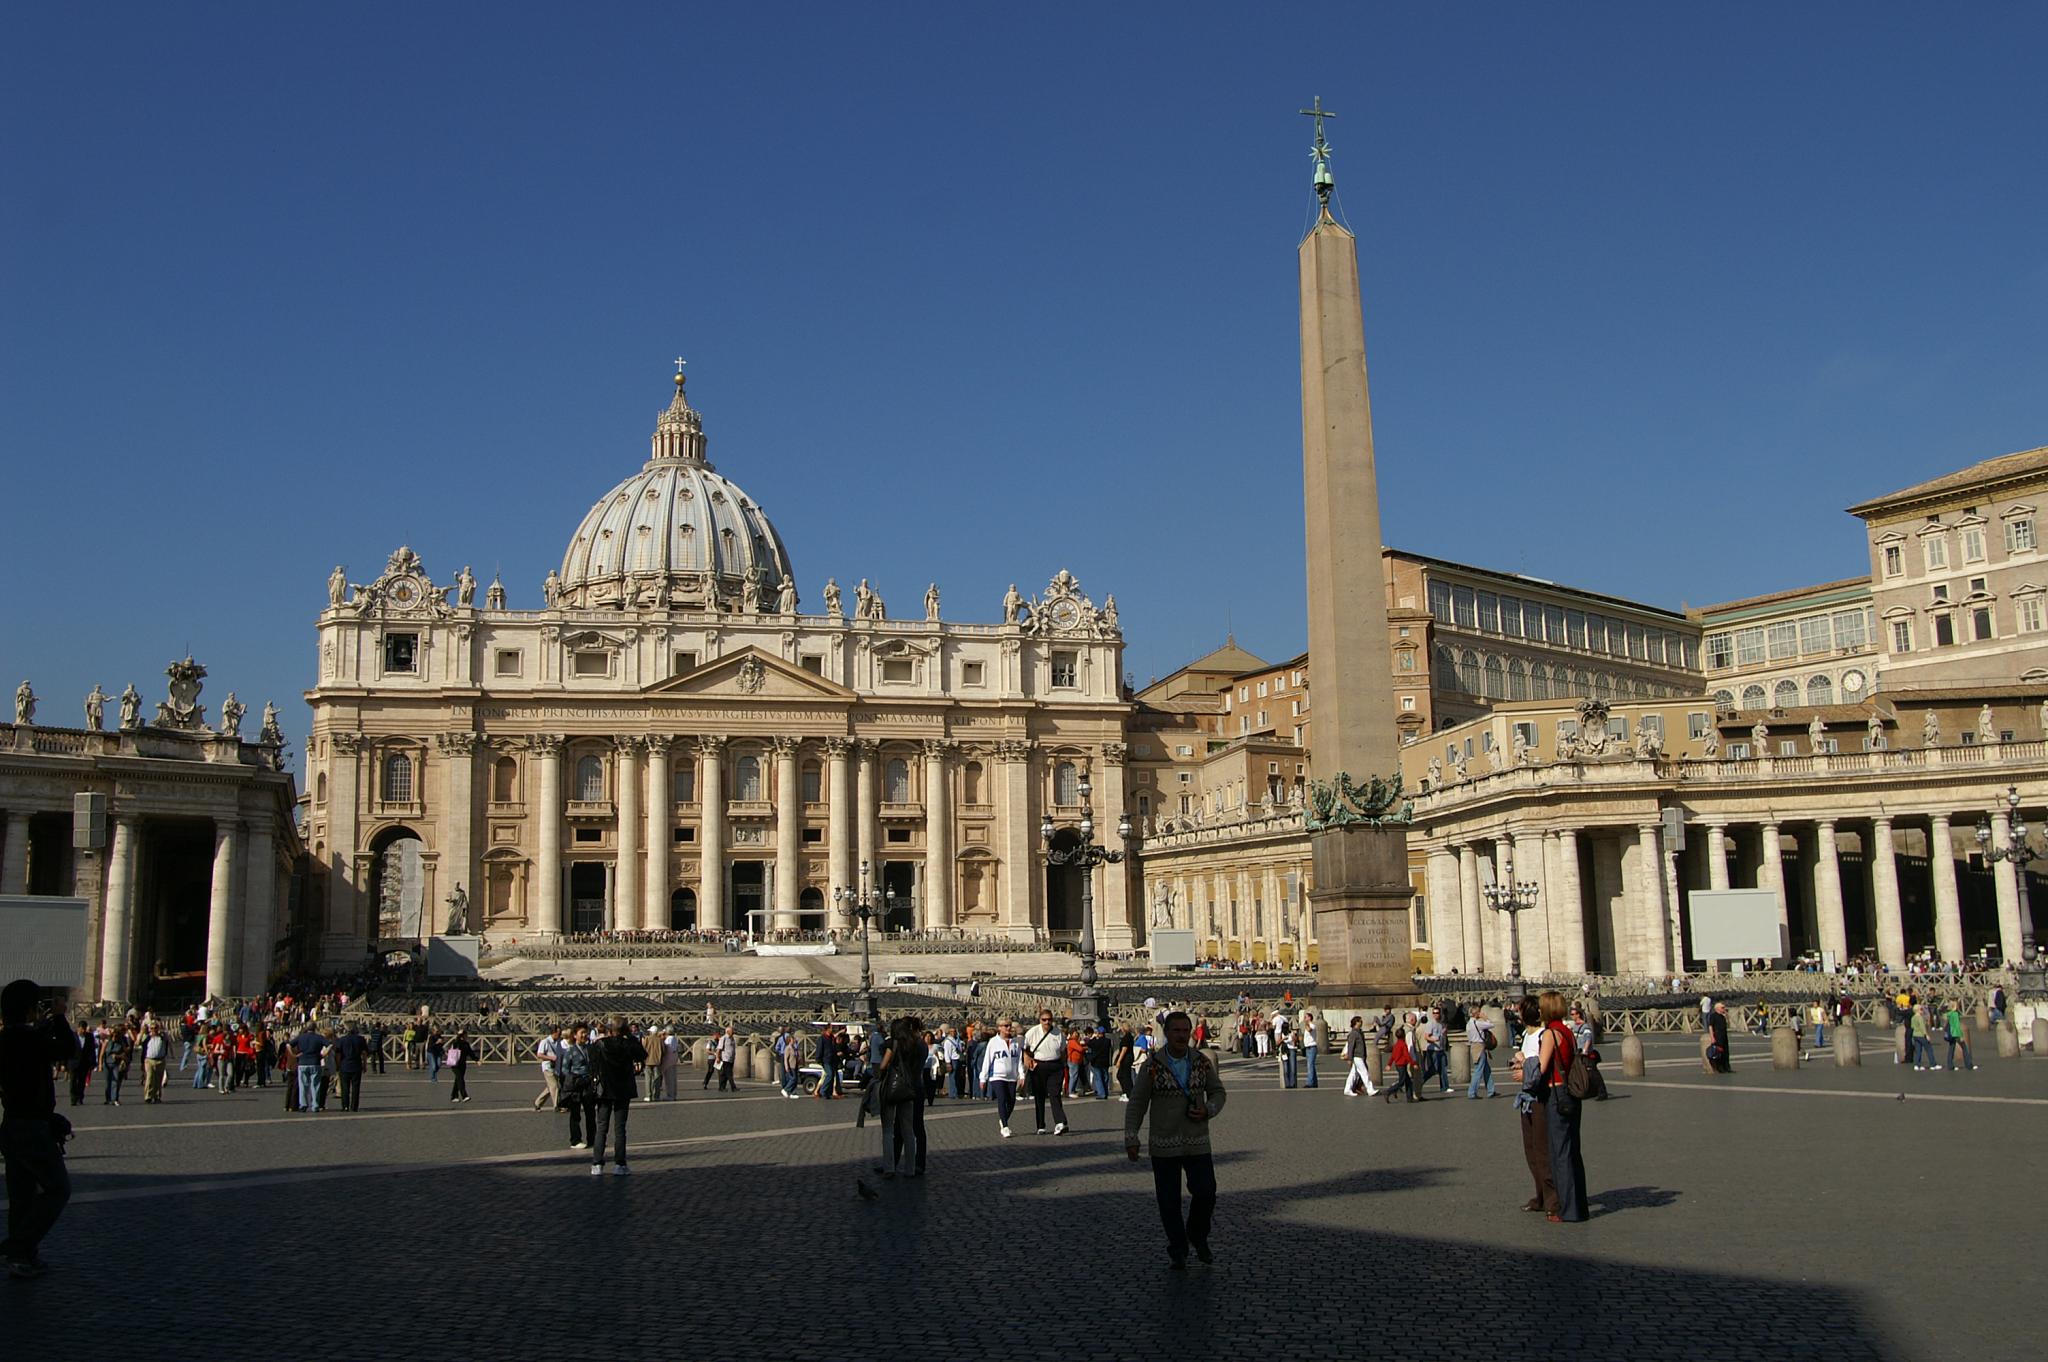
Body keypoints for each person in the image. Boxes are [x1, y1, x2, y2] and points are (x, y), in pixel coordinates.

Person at [1124, 1011, 1227, 1270]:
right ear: (1166, 1034)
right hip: (1163, 1142)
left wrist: (1208, 1110)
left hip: (1197, 1140)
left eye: (1185, 1030)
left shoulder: (1201, 1061)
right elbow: (1137, 1103)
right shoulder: (1152, 1065)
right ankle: (1178, 1248)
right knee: (1168, 1201)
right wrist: (1131, 1135)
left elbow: (1217, 1092)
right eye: (1176, 1031)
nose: (1181, 1035)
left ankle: (1197, 1233)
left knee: (1206, 1192)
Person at [1, 979, 80, 1280]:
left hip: (11, 1125)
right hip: (33, 1127)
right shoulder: (30, 1039)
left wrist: (44, 1024)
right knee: (58, 1188)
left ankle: (23, 1259)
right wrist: (60, 1017)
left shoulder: (7, 1038)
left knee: (21, 1195)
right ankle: (17, 1247)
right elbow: (70, 1049)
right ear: (31, 1009)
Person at [1536, 990, 1588, 1223]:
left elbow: (1542, 1066)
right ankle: (1579, 1206)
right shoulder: (1568, 1031)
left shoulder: (1550, 1034)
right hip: (1571, 1096)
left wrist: (1523, 1065)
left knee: (1559, 1154)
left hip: (1556, 1095)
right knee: (1573, 1152)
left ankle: (1566, 1209)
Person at [1513, 996, 1558, 1217]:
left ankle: (1553, 1201)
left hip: (1540, 1098)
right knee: (1530, 1151)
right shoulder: (1526, 1035)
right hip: (1526, 1099)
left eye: (1519, 1009)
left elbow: (1541, 1068)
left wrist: (1524, 1070)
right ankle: (1540, 1195)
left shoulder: (1543, 1035)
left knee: (1542, 1151)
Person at [586, 1016, 647, 1175]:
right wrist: (631, 1037)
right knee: (620, 1128)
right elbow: (642, 1054)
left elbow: (591, 1062)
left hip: (604, 1089)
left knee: (601, 1127)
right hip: (622, 1089)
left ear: (609, 1029)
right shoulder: (628, 1043)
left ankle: (597, 1164)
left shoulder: (600, 1044)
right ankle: (620, 1164)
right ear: (625, 1029)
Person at [874, 1015, 929, 1178]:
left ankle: (891, 1165)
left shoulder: (898, 1044)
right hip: (914, 1087)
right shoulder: (919, 1045)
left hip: (896, 1087)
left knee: (895, 1128)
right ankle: (913, 1167)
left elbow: (883, 1066)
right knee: (910, 1128)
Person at [1022, 1009, 1068, 1135]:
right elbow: (1024, 1047)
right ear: (1040, 1020)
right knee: (1040, 1096)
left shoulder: (1058, 1033)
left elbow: (1063, 1051)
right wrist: (1027, 1058)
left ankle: (1060, 1122)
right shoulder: (1032, 1032)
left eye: (1049, 1019)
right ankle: (1040, 1125)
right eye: (1044, 1020)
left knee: (1054, 1094)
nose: (1047, 1022)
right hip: (1039, 1065)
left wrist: (1063, 1065)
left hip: (1055, 1066)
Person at [978, 1016, 1024, 1138]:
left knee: (1012, 1101)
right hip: (997, 1076)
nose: (1008, 1028)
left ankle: (1003, 1118)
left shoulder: (1015, 1042)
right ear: (999, 1028)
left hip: (1012, 1076)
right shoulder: (993, 1042)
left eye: (1009, 1025)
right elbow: (987, 1060)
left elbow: (1019, 1059)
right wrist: (983, 1077)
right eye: (1005, 1026)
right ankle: (1005, 1126)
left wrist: (1021, 1074)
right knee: (1002, 1099)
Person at [559, 1024, 597, 1149]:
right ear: (575, 1035)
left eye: (586, 1032)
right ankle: (575, 1140)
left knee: (590, 1113)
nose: (584, 1035)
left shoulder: (590, 1049)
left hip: (588, 1084)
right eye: (582, 1033)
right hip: (576, 1085)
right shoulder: (570, 1051)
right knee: (575, 1114)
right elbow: (564, 1070)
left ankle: (593, 1139)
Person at [291, 1020, 326, 1114]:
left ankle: (303, 1104)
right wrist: (324, 1055)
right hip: (315, 1062)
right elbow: (329, 1044)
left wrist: (294, 1055)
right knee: (315, 1085)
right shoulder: (319, 1037)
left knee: (303, 1086)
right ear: (315, 1028)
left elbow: (289, 1044)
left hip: (302, 1063)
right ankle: (315, 1105)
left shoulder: (301, 1037)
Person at [332, 1023, 369, 1111]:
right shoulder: (361, 1039)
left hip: (344, 1065)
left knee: (345, 1087)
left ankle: (345, 1106)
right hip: (356, 1065)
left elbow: (338, 1054)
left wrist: (337, 1065)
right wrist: (364, 1065)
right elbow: (364, 1053)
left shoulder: (342, 1040)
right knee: (356, 1087)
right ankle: (354, 1106)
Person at [1341, 1016, 1379, 1097]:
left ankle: (1347, 1089)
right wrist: (1350, 1058)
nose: (1361, 1023)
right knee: (1364, 1073)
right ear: (1356, 1023)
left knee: (1353, 1074)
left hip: (1359, 1056)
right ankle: (1370, 1089)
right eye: (1360, 1021)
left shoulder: (1359, 1032)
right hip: (1357, 1056)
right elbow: (1351, 1047)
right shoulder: (1353, 1034)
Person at [98, 1023, 133, 1105]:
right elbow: (102, 1054)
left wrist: (118, 1055)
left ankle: (115, 1099)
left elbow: (126, 1052)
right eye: (113, 1036)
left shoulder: (121, 1042)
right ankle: (108, 1098)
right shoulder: (107, 1041)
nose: (114, 1038)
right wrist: (100, 1065)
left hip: (116, 1064)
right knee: (108, 1082)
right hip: (107, 1063)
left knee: (115, 1081)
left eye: (116, 1036)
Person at [1466, 1008, 1497, 1099]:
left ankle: (1491, 1090)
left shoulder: (1468, 1024)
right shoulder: (1478, 1023)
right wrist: (1485, 1017)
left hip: (1473, 1046)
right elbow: (1491, 1025)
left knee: (1486, 1069)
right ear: (1476, 1013)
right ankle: (1472, 1092)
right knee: (1478, 1071)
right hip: (1479, 1047)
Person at [1383, 1027, 1418, 1103]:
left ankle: (1410, 1097)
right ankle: (1389, 1091)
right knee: (1401, 1082)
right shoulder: (1403, 1044)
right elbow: (1407, 1055)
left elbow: (1393, 1056)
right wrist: (1413, 1063)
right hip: (1402, 1064)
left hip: (1398, 1064)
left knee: (1408, 1081)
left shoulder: (1396, 1045)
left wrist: (1389, 1064)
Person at [533, 1025, 563, 1112]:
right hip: (547, 1066)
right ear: (553, 1032)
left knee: (550, 1087)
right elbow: (539, 1054)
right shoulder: (545, 1042)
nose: (560, 1034)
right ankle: (556, 1106)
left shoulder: (558, 1042)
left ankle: (537, 1103)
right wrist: (551, 1058)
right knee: (555, 1086)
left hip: (556, 1067)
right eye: (558, 1033)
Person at [141, 1020, 170, 1104]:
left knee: (158, 1079)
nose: (153, 1030)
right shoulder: (147, 1037)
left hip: (160, 1060)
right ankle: (148, 1096)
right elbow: (138, 1043)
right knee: (149, 1078)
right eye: (152, 1028)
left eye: (155, 1028)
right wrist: (142, 1032)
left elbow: (166, 1037)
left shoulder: (162, 1037)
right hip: (149, 1060)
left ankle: (157, 1096)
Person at [1942, 1000, 1975, 1071]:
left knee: (1951, 1049)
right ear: (1955, 1007)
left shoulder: (1948, 1014)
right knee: (1964, 1048)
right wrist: (1960, 1036)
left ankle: (1950, 1065)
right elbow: (1956, 1026)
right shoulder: (1955, 1014)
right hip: (1955, 1033)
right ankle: (1969, 1065)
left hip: (1950, 1034)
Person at [444, 1029, 473, 1102]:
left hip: (462, 1064)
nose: (467, 1036)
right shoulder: (456, 1042)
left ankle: (454, 1096)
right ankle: (464, 1096)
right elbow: (452, 1049)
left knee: (458, 1080)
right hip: (455, 1064)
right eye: (466, 1035)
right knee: (460, 1080)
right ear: (463, 1035)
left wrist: (477, 1060)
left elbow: (470, 1053)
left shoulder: (466, 1044)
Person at [1706, 1003, 1732, 1074]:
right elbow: (1710, 1027)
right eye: (1722, 1007)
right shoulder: (1713, 1016)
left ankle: (1727, 1067)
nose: (1724, 1009)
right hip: (1717, 1035)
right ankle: (1720, 1068)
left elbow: (1728, 1024)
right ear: (1717, 1008)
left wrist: (1726, 1016)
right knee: (1719, 1052)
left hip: (1724, 1035)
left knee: (1726, 1052)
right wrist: (1712, 1037)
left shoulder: (1723, 1016)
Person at [1299, 1007, 1320, 1088]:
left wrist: (1306, 1023)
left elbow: (1309, 1030)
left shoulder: (1312, 1025)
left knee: (1310, 1065)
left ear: (1310, 1018)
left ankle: (1309, 1083)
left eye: (1306, 1017)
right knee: (1311, 1065)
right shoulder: (1307, 1025)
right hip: (1308, 1047)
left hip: (1312, 1047)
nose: (1304, 1018)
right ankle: (1314, 1082)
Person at [714, 1025, 739, 1091]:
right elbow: (719, 1049)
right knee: (729, 1074)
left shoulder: (732, 1038)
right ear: (727, 1031)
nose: (733, 1032)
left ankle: (721, 1087)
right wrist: (718, 1058)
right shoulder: (723, 1038)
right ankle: (733, 1087)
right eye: (732, 1031)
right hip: (725, 1058)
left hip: (731, 1059)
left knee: (724, 1074)